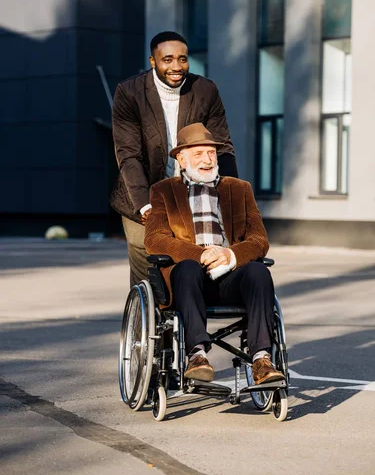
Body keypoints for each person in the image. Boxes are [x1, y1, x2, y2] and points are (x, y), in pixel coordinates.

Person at [144, 123, 284, 386]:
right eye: (198, 154)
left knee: (258, 271)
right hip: (189, 282)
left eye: (211, 153)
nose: (207, 160)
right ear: (182, 159)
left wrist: (229, 254)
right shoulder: (163, 191)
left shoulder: (240, 189)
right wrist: (199, 255)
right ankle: (197, 355)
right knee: (187, 268)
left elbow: (259, 239)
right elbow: (154, 239)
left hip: (230, 278)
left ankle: (262, 360)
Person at [111, 31, 238, 287]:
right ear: (153, 61)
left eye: (182, 59)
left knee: (194, 260)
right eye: (167, 59)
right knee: (149, 263)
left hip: (192, 192)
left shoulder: (205, 90)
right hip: (142, 194)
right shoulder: (130, 92)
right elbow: (129, 154)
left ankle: (186, 315)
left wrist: (232, 196)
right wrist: (145, 204)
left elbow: (222, 148)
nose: (176, 66)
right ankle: (149, 321)